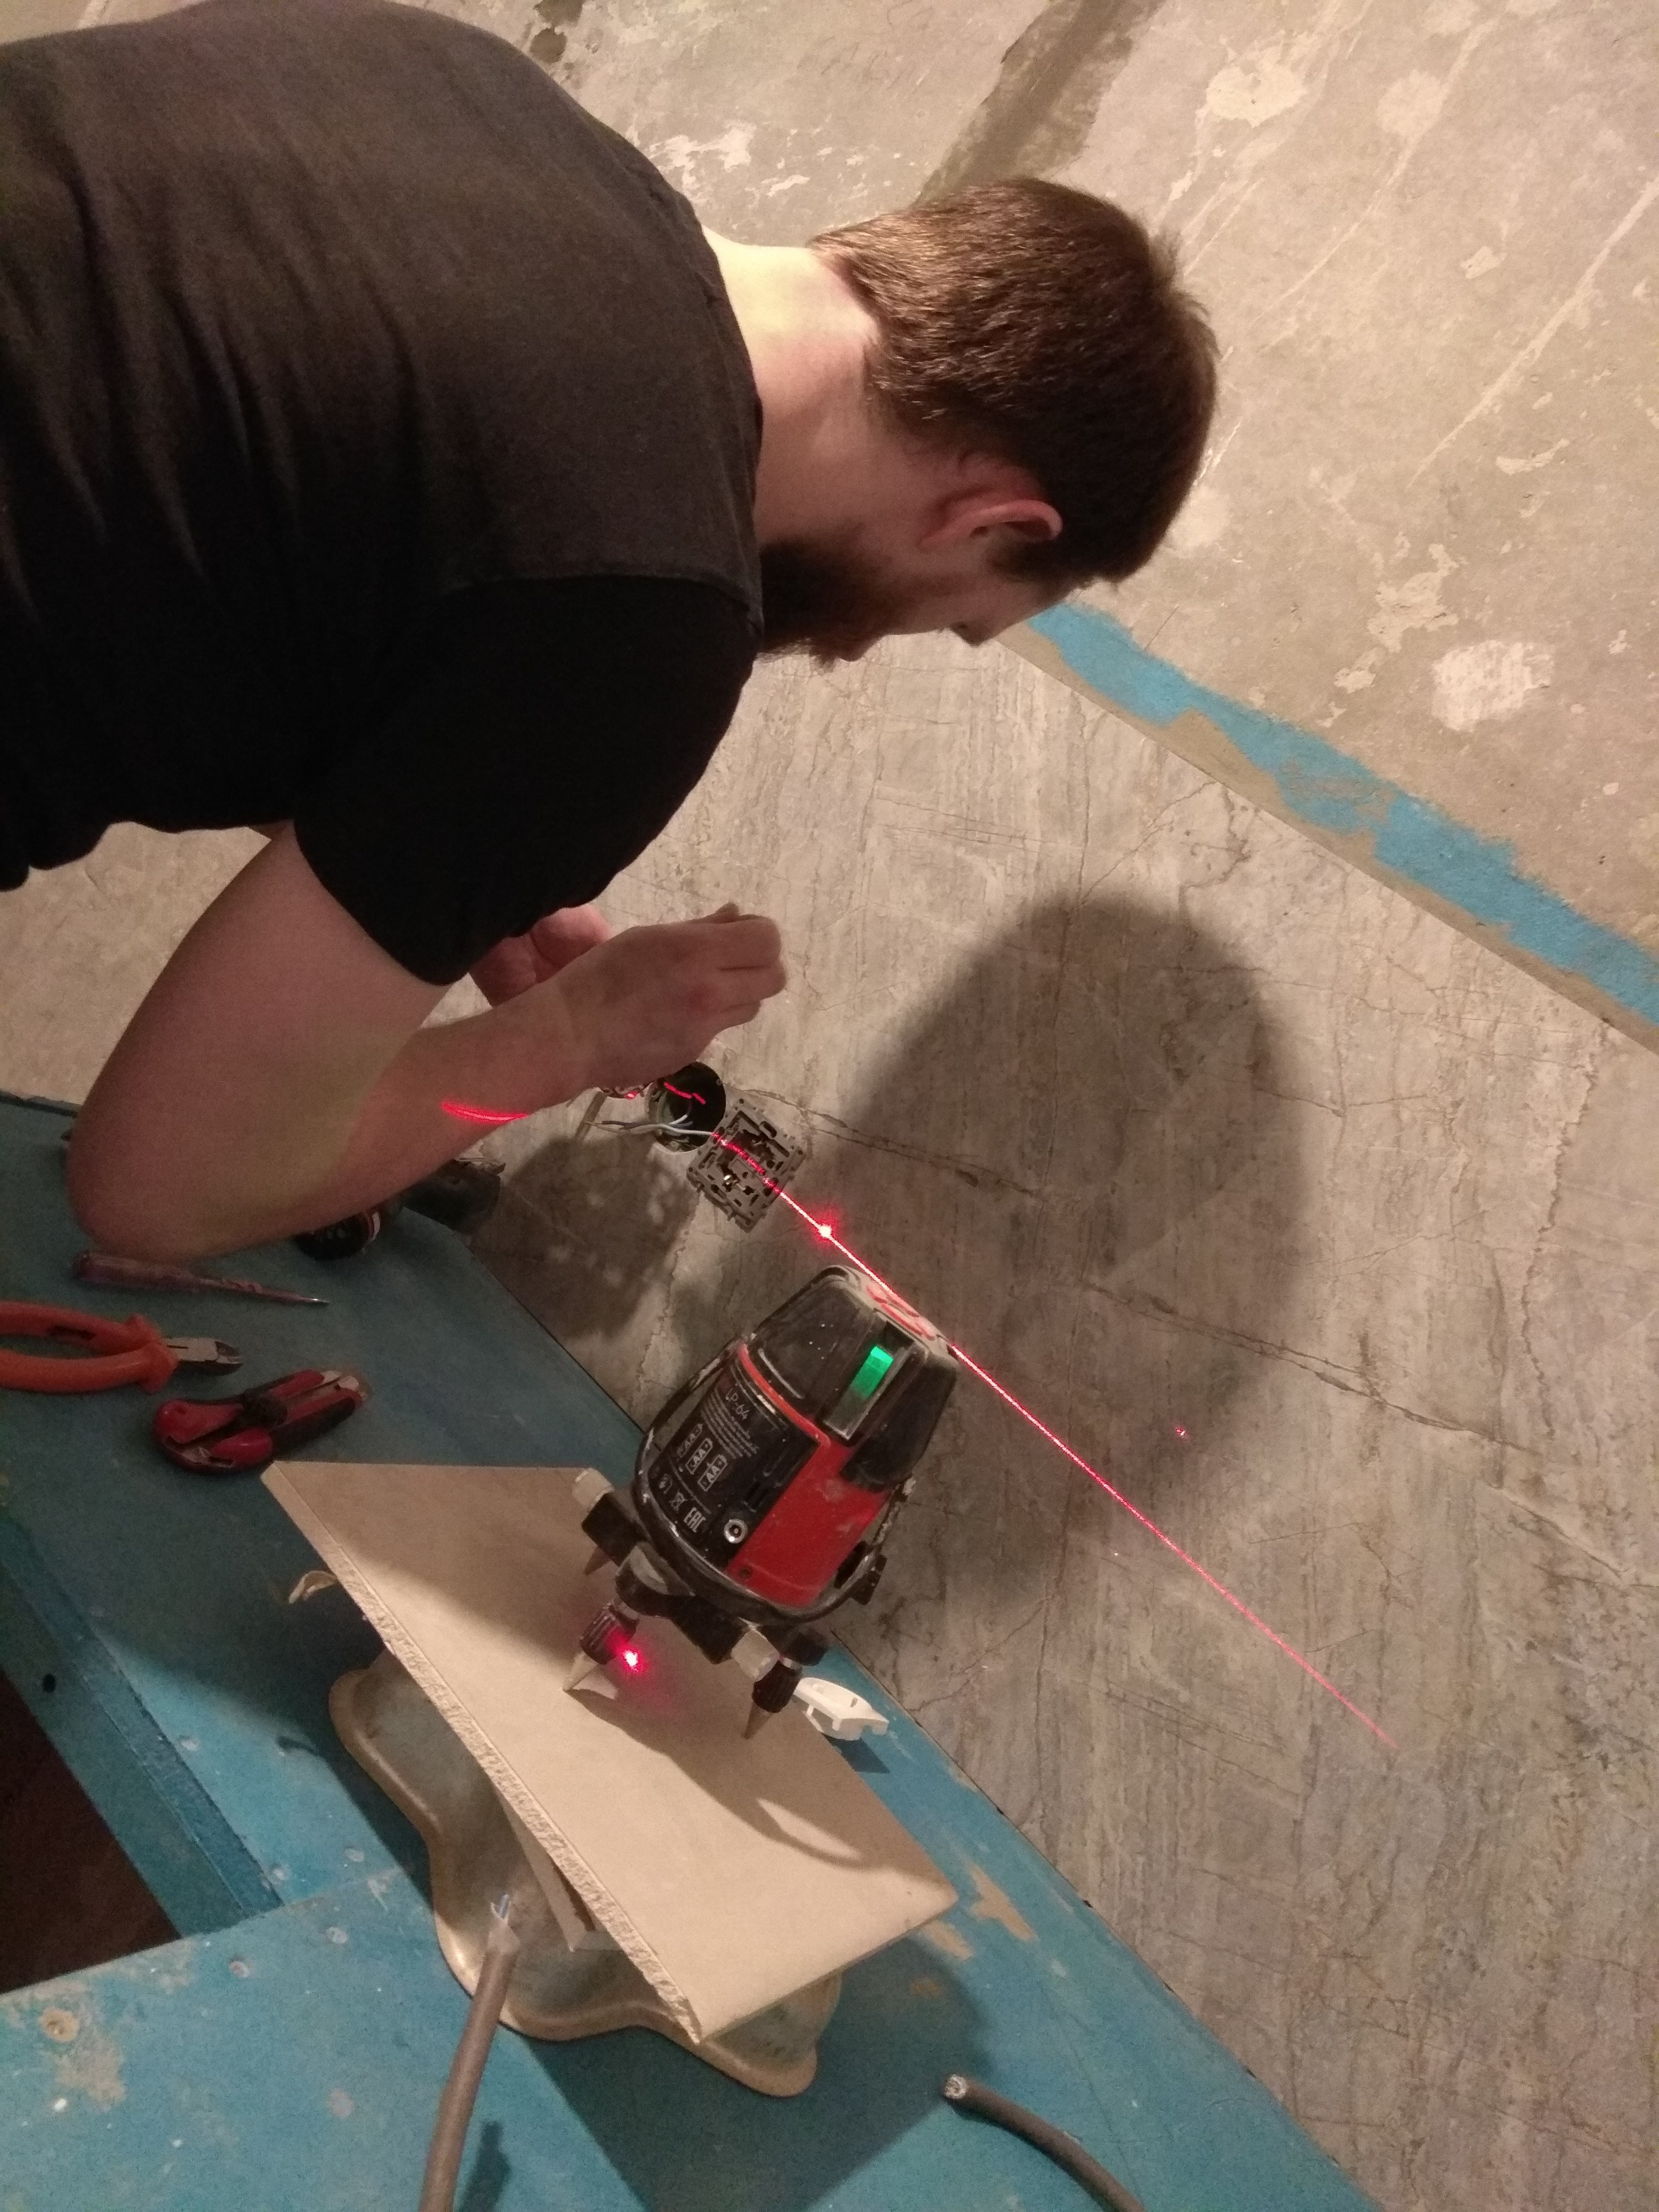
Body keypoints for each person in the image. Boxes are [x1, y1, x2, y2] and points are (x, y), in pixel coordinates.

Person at [0, 0, 1216, 1261]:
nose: (857, 649)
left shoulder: (454, 81)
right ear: (990, 522)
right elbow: (160, 1186)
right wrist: (571, 1039)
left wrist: (434, 846)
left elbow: (189, 504)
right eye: (949, 619)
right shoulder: (647, 612)